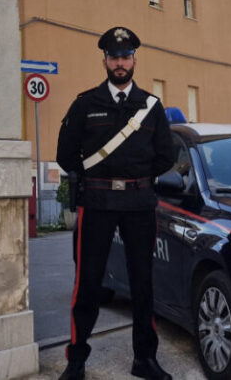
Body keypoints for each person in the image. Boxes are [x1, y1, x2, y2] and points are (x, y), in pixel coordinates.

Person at [56, 26, 176, 380]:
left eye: (125, 57)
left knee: (143, 283)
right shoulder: (85, 104)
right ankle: (76, 362)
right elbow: (66, 154)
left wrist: (137, 179)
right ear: (105, 60)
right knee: (88, 283)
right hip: (96, 203)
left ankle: (145, 360)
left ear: (135, 60)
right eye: (114, 57)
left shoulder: (151, 107)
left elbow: (165, 156)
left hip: (139, 204)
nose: (120, 63)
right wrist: (97, 180)